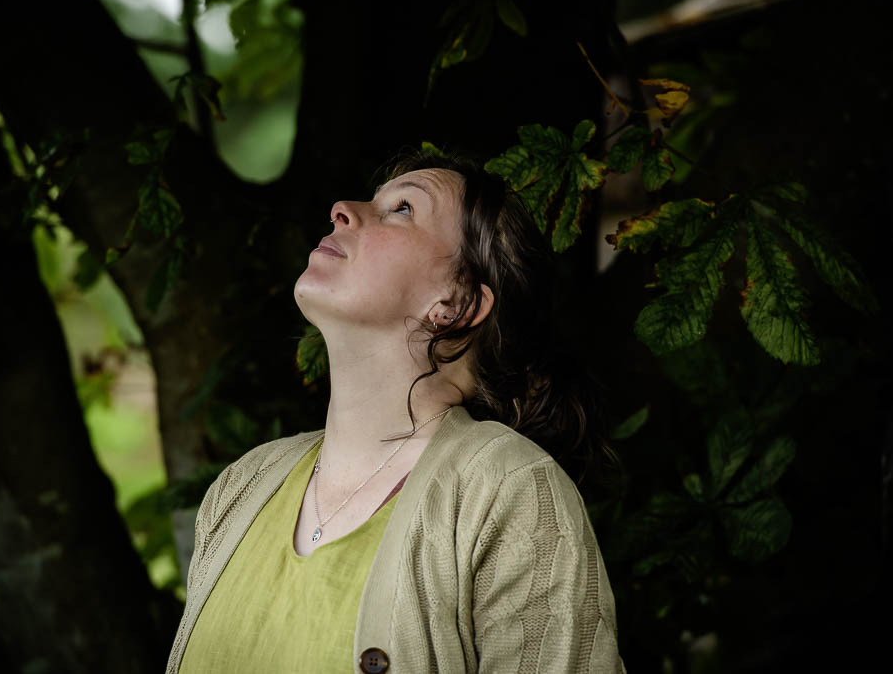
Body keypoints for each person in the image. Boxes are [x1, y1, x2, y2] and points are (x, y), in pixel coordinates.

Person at [166, 148, 626, 673]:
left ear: (456, 305)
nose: (342, 208)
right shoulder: (240, 487)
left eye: (402, 209)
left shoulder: (508, 493)